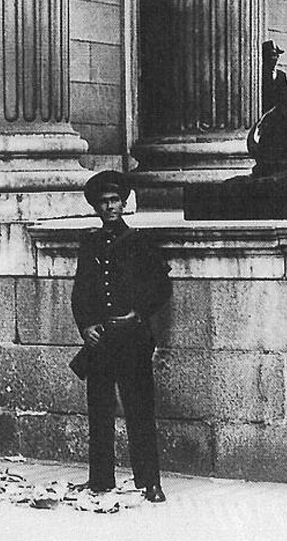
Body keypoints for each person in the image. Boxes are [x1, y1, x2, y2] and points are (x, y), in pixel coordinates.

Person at [71, 170, 172, 503]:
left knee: (139, 410)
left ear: (124, 202)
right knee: (99, 411)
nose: (109, 207)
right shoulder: (90, 244)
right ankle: (100, 479)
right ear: (96, 207)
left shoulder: (140, 242)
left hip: (131, 340)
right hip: (100, 342)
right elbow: (80, 292)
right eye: (103, 202)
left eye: (114, 201)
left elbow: (162, 288)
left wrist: (138, 313)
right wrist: (86, 326)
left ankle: (150, 482)